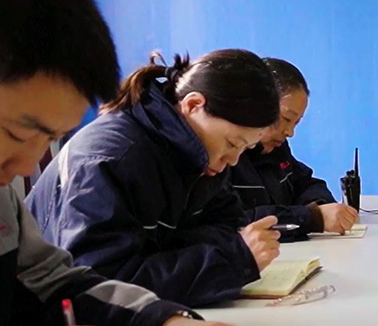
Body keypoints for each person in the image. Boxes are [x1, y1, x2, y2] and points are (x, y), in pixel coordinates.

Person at [0, 0, 263, 326]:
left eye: (50, 139)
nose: (25, 167)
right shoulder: (111, 155)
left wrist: (165, 324)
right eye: (17, 134)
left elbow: (52, 282)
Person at [27, 49, 283, 307]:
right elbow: (102, 285)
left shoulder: (200, 156)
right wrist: (231, 261)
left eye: (245, 149)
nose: (234, 160)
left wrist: (179, 255)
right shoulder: (110, 159)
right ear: (193, 105)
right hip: (48, 318)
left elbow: (228, 225)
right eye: (232, 143)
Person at [230, 58, 358, 236]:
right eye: (286, 119)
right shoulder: (224, 158)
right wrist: (312, 218)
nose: (290, 132)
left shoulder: (277, 149)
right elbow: (234, 223)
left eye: (296, 123)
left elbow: (307, 183)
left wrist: (320, 207)